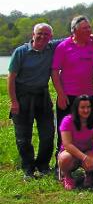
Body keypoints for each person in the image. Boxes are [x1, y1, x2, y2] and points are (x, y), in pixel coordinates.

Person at [8, 23, 58, 179]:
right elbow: (11, 79)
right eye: (40, 33)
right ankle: (28, 169)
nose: (43, 37)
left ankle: (43, 166)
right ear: (33, 34)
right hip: (23, 96)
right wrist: (14, 101)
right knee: (23, 137)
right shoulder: (21, 52)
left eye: (46, 34)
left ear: (51, 37)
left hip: (42, 95)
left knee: (48, 134)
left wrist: (92, 37)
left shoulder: (52, 48)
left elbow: (74, 37)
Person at [51, 16, 93, 154]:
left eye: (89, 27)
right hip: (68, 96)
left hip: (89, 96)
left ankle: (89, 163)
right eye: (85, 28)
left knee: (89, 129)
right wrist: (60, 94)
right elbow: (55, 71)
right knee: (64, 129)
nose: (89, 30)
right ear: (74, 30)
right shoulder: (63, 47)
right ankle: (60, 162)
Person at [57, 95, 93, 190]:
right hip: (71, 152)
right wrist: (84, 158)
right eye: (82, 107)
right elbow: (67, 144)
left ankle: (89, 174)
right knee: (64, 158)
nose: (86, 110)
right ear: (76, 108)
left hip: (88, 150)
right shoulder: (67, 120)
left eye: (88, 107)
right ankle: (67, 176)